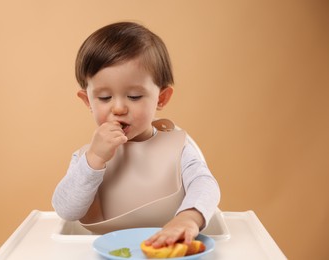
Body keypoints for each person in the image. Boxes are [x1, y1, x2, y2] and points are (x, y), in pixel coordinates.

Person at [52, 21, 220, 249]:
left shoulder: (178, 146)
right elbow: (66, 210)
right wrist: (94, 160)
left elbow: (205, 184)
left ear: (161, 98)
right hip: (106, 250)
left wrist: (188, 217)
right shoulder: (87, 156)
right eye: (104, 98)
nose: (119, 108)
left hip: (168, 247)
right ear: (87, 101)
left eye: (133, 96)